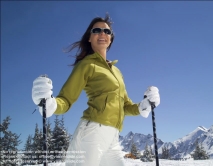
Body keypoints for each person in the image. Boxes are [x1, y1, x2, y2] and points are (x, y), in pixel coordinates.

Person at [32, 13, 160, 166]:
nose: (102, 34)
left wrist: (144, 105)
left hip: (112, 137)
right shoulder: (86, 65)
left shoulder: (117, 72)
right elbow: (66, 100)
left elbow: (125, 106)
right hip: (92, 133)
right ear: (89, 37)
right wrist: (50, 104)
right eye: (96, 30)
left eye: (107, 31)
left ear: (110, 39)